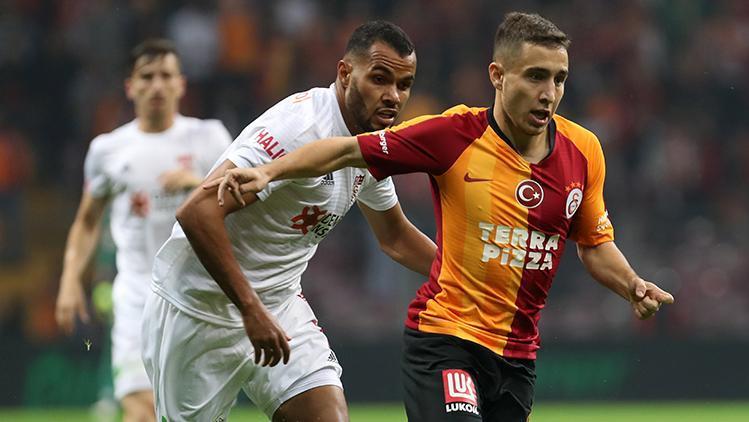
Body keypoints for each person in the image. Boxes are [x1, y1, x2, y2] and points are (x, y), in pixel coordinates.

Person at [207, 12, 676, 422]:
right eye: (535, 76)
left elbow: (594, 244)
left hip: (517, 356)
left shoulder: (584, 150)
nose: (548, 93)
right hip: (445, 339)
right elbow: (344, 150)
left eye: (559, 79)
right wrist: (268, 171)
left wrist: (631, 284)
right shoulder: (454, 134)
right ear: (498, 75)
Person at [141, 21, 435, 422]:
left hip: (279, 306)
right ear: (345, 74)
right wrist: (250, 308)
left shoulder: (369, 146)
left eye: (404, 85)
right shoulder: (298, 128)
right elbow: (198, 211)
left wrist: (471, 278)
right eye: (380, 79)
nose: (393, 97)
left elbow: (396, 236)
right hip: (198, 310)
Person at [55, 39, 232, 422]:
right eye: (147, 77)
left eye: (166, 75)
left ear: (181, 84)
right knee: (139, 411)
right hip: (137, 294)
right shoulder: (108, 149)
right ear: (130, 87)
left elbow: (245, 199)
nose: (156, 85)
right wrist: (70, 278)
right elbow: (87, 221)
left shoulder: (210, 138)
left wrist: (197, 183)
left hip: (199, 294)